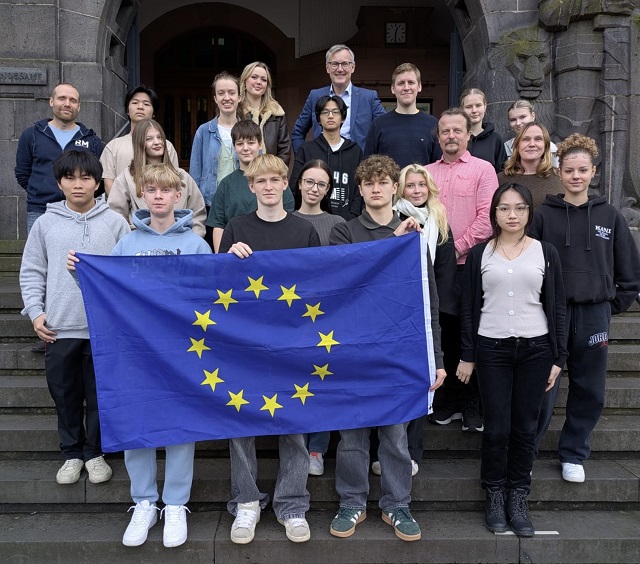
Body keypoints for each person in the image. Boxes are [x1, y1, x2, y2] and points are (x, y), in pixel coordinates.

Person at [68, 163, 210, 548]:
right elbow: (108, 291)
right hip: (135, 352)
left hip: (182, 351)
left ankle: (175, 504)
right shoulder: (127, 244)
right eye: (152, 190)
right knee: (137, 421)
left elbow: (211, 297)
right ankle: (145, 501)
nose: (159, 196)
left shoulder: (197, 245)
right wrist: (82, 273)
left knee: (180, 425)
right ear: (142, 195)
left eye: (166, 190)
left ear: (178, 195)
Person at [327, 155, 446, 542]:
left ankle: (397, 503)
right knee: (352, 435)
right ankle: (352, 501)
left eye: (383, 182)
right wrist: (392, 244)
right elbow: (346, 282)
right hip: (351, 349)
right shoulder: (344, 231)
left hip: (399, 351)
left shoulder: (413, 235)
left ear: (395, 188)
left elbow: (428, 300)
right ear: (360, 190)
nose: (376, 188)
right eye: (369, 183)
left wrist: (436, 358)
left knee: (395, 435)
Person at [220, 154, 320, 545]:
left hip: (292, 341)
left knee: (294, 422)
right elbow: (218, 287)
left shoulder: (304, 230)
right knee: (241, 421)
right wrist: (229, 259)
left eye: (274, 180)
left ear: (284, 183)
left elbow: (317, 286)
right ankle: (246, 502)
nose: (267, 186)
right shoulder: (236, 227)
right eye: (260, 181)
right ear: (251, 186)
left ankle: (292, 505)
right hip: (243, 342)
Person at [458, 182, 567, 537]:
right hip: (492, 350)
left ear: (529, 212)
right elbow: (469, 308)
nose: (512, 215)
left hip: (536, 350)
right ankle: (494, 493)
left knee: (524, 427)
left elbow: (558, 307)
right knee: (497, 427)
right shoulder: (480, 254)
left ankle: (518, 496)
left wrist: (558, 357)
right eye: (504, 208)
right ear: (494, 213)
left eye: (520, 208)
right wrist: (468, 355)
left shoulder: (545, 252)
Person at [531, 134, 640, 483]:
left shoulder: (610, 216)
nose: (575, 176)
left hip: (594, 315)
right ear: (559, 173)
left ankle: (573, 453)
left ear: (593, 172)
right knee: (542, 385)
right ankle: (526, 451)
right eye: (569, 170)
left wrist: (609, 305)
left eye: (582, 170)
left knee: (589, 388)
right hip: (551, 315)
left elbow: (629, 270)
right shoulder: (543, 216)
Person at [19, 151, 130, 486]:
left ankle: (95, 453)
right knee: (65, 395)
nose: (77, 184)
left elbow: (128, 273)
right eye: (70, 178)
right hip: (59, 327)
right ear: (59, 183)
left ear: (98, 183)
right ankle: (71, 453)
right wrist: (36, 312)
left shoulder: (115, 222)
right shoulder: (46, 223)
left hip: (103, 329)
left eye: (86, 178)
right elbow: (32, 270)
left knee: (99, 395)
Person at [426, 108, 499, 433]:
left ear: (469, 134)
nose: (451, 136)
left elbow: (487, 218)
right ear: (438, 136)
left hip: (470, 266)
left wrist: (454, 249)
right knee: (443, 334)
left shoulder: (483, 170)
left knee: (470, 333)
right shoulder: (427, 173)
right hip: (435, 271)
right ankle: (446, 400)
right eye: (445, 131)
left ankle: (471, 403)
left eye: (457, 130)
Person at [291, 159, 347, 476]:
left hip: (328, 316)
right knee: (296, 382)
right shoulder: (286, 219)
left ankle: (317, 449)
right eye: (309, 181)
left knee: (322, 382)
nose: (314, 188)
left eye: (321, 184)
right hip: (293, 316)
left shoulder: (338, 223)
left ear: (328, 190)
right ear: (299, 184)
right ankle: (297, 447)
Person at [15, 83, 103, 234]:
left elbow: (98, 177)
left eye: (73, 100)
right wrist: (40, 189)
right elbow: (22, 174)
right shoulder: (32, 135)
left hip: (80, 211)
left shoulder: (91, 140)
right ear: (51, 101)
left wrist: (81, 197)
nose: (67, 104)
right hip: (41, 209)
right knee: (39, 250)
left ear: (79, 106)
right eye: (62, 98)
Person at [107, 119, 206, 237]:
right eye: (149, 139)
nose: (157, 142)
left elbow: (198, 214)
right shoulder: (126, 177)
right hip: (141, 244)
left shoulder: (182, 176)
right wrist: (132, 241)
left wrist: (191, 240)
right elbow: (115, 215)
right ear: (139, 143)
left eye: (159, 137)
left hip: (181, 243)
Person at [207, 120, 295, 252]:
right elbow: (218, 225)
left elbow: (288, 219)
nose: (245, 148)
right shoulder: (226, 184)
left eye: (251, 142)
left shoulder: (276, 182)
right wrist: (223, 258)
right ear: (234, 147)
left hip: (274, 251)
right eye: (240, 144)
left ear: (260, 144)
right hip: (238, 253)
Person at [291, 44, 386, 153]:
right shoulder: (315, 96)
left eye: (345, 64)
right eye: (335, 64)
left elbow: (386, 130)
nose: (340, 69)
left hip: (358, 162)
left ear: (353, 67)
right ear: (327, 68)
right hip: (323, 161)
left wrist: (374, 161)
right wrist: (304, 158)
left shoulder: (368, 98)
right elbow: (298, 132)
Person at [289, 95, 363, 220]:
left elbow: (359, 188)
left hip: (347, 221)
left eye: (335, 112)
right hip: (312, 219)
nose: (330, 116)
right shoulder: (307, 149)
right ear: (318, 119)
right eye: (325, 112)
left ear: (343, 118)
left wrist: (353, 216)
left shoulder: (355, 151)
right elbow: (295, 186)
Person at [100, 85, 179, 195]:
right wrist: (121, 203)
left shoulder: (165, 145)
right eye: (135, 103)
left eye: (146, 104)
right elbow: (109, 182)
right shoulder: (113, 146)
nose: (140, 107)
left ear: (154, 113)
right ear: (127, 110)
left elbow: (174, 180)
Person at [364, 63, 441, 168]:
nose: (406, 88)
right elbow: (368, 166)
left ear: (419, 86)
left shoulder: (432, 124)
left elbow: (439, 167)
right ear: (392, 88)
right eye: (401, 83)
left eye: (411, 82)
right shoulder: (379, 124)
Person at [189, 71, 241, 211]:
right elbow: (195, 173)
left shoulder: (249, 131)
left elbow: (257, 169)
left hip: (242, 204)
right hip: (211, 205)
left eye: (231, 93)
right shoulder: (204, 132)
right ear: (215, 98)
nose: (226, 98)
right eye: (221, 93)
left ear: (239, 97)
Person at [498, 122, 564, 210]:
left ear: (546, 145)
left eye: (538, 139)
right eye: (526, 139)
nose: (532, 144)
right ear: (517, 145)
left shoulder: (560, 178)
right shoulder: (500, 179)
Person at [239, 61, 292, 165]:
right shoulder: (236, 111)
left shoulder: (276, 113)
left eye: (263, 79)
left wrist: (275, 171)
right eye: (254, 77)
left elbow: (284, 149)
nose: (259, 82)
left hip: (271, 172)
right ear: (244, 81)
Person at [460, 88, 507, 173]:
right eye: (469, 107)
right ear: (462, 109)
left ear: (485, 107)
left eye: (478, 105)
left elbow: (501, 172)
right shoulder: (456, 137)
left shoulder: (495, 139)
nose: (474, 110)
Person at [504, 99, 558, 167]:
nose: (518, 123)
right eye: (513, 120)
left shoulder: (551, 149)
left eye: (522, 117)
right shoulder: (505, 147)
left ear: (533, 116)